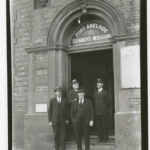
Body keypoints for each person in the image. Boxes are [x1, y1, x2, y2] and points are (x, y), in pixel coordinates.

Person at [94, 78, 110, 143]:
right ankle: (100, 138)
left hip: (104, 112)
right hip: (97, 112)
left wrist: (105, 108)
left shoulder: (105, 92)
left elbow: (108, 102)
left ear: (102, 84)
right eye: (97, 83)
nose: (98, 84)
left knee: (104, 126)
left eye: (99, 83)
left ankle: (105, 138)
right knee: (99, 126)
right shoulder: (95, 93)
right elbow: (95, 103)